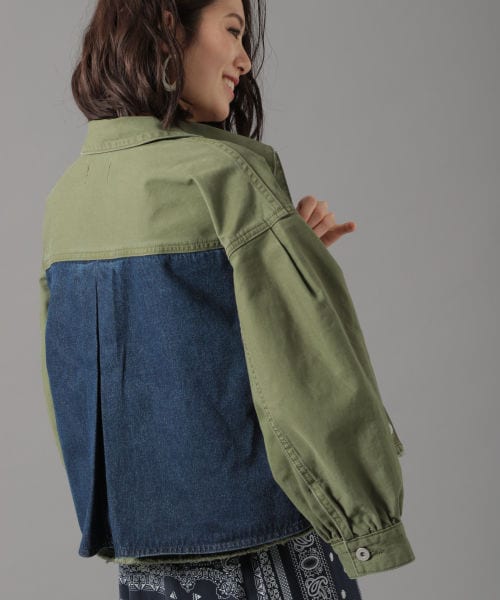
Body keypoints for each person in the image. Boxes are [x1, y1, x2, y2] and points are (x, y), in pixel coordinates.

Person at [39, 0, 416, 598]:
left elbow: (76, 386)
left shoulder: (66, 199)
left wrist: (282, 257)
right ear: (169, 27)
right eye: (234, 31)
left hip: (148, 561)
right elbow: (305, 373)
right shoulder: (228, 174)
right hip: (271, 547)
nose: (245, 60)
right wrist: (368, 525)